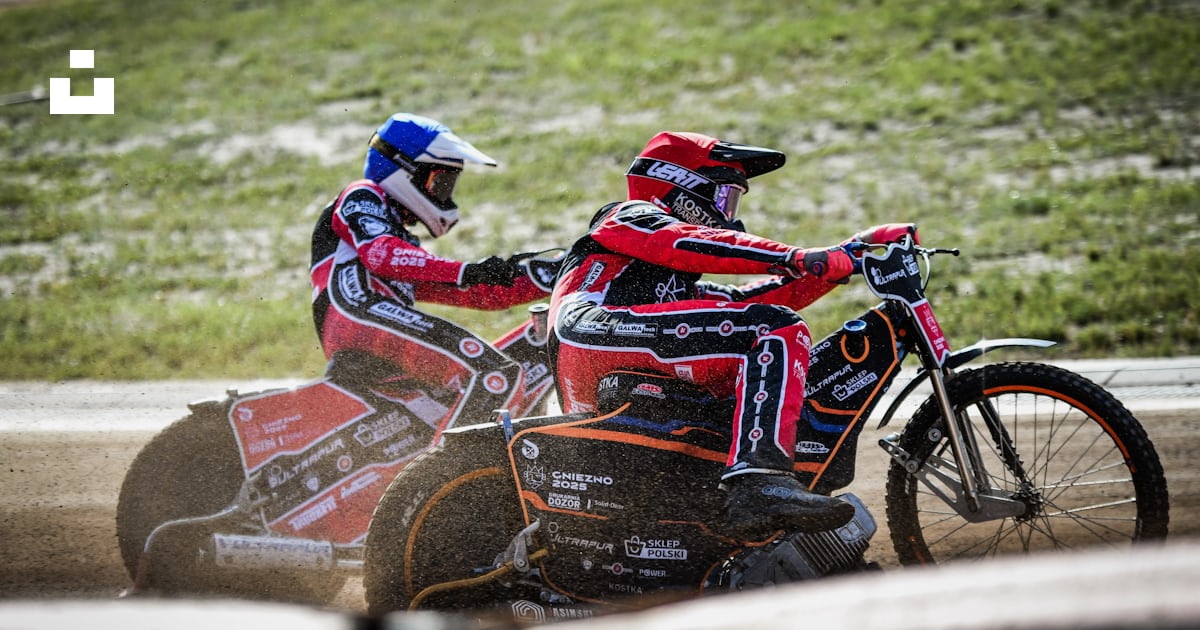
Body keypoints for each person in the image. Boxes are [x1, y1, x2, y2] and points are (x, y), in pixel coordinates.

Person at [547, 130, 917, 537]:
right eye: (725, 197)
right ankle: (759, 480)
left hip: (618, 342)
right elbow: (686, 240)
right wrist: (796, 256)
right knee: (773, 328)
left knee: (758, 328)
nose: (731, 212)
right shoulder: (627, 215)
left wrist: (852, 251)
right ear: (683, 187)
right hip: (592, 330)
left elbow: (754, 294)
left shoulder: (674, 281)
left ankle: (730, 485)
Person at [310, 112, 552, 429]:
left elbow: (465, 290)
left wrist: (556, 274)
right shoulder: (363, 195)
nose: (444, 192)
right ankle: (446, 470)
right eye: (440, 181)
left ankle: (443, 461)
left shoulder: (401, 240)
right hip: (356, 311)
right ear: (406, 170)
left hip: (367, 325)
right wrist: (470, 270)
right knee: (497, 376)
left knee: (453, 401)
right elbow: (382, 255)